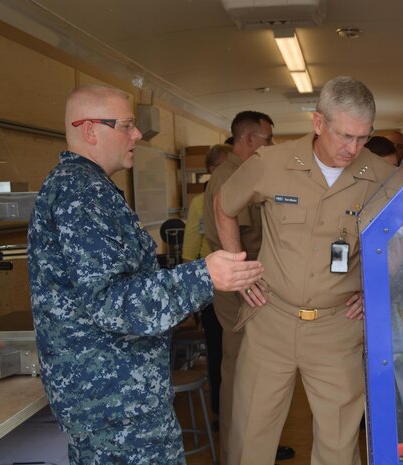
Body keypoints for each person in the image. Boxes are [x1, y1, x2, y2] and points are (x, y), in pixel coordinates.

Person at [27, 84, 263, 465]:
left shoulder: (89, 188)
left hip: (119, 400)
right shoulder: (80, 193)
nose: (137, 134)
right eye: (127, 125)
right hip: (114, 406)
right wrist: (204, 275)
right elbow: (112, 301)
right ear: (90, 130)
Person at [215, 76, 396, 465]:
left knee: (339, 445)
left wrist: (376, 290)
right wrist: (238, 269)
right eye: (345, 135)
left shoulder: (382, 178)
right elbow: (224, 204)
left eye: (363, 138)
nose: (353, 148)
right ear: (318, 123)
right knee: (251, 437)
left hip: (337, 328)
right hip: (271, 321)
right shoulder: (272, 163)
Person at [203, 111, 293, 463]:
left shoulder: (238, 173)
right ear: (249, 140)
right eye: (268, 139)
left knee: (248, 373)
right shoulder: (232, 177)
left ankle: (251, 447)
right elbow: (236, 240)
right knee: (240, 373)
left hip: (247, 281)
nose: (271, 146)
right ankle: (235, 453)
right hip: (241, 284)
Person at [181, 143, 231, 429]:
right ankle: (220, 412)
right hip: (210, 284)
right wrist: (192, 300)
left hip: (237, 282)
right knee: (216, 348)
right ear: (212, 170)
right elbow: (189, 250)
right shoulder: (200, 203)